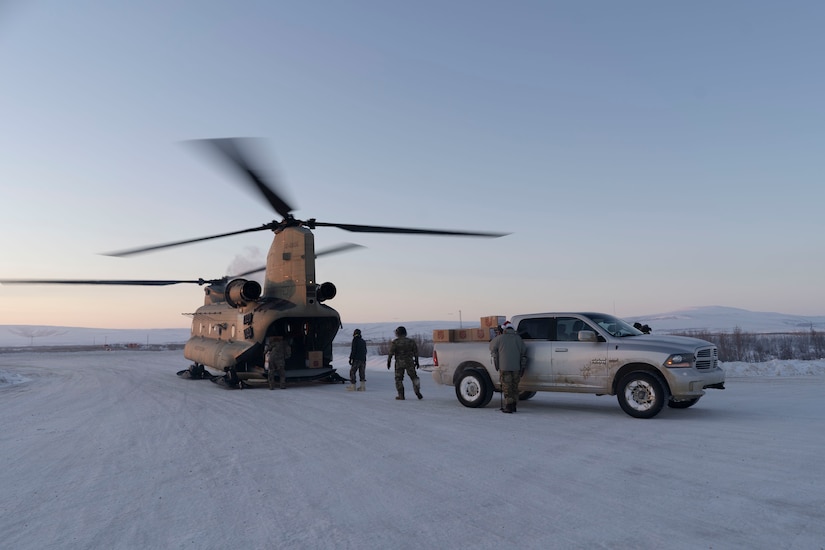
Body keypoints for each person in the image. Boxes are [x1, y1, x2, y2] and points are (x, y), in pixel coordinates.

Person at [489, 320, 527, 413]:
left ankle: (508, 407)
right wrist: (522, 366)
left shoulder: (500, 338)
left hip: (504, 367)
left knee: (507, 387)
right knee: (514, 387)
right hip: (516, 368)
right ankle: (514, 405)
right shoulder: (518, 339)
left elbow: (491, 347)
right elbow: (524, 352)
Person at [386, 326, 422, 400]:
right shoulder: (411, 341)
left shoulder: (395, 342)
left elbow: (391, 353)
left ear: (398, 333)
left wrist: (388, 362)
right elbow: (415, 352)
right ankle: (417, 391)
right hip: (409, 362)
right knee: (414, 377)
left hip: (399, 363)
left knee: (398, 379)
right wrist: (417, 361)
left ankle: (401, 395)